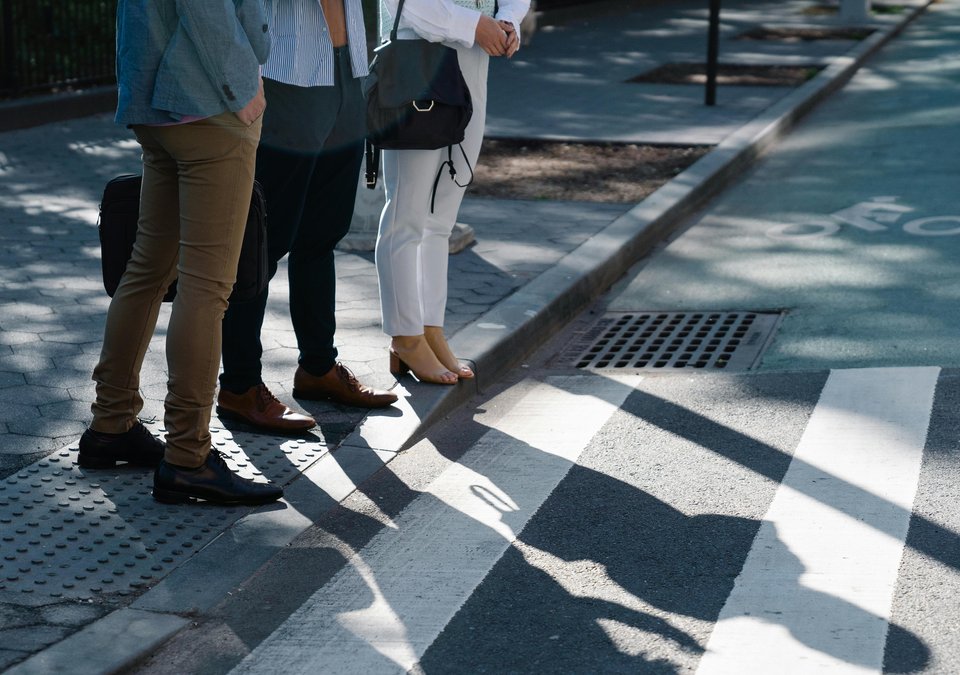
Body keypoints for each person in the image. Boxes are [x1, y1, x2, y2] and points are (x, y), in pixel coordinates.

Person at [78, 0, 283, 506]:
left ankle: (111, 426)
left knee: (147, 269)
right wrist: (243, 88)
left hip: (157, 104)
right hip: (210, 104)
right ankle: (188, 456)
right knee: (207, 287)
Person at [215, 0, 398, 434]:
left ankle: (318, 368)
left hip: (346, 70)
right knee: (263, 241)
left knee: (322, 234)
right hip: (288, 75)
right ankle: (240, 386)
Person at [374, 0, 528, 384]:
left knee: (441, 218)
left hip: (475, 57)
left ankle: (430, 328)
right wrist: (473, 23)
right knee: (406, 213)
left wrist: (509, 20)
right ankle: (405, 335)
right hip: (418, 57)